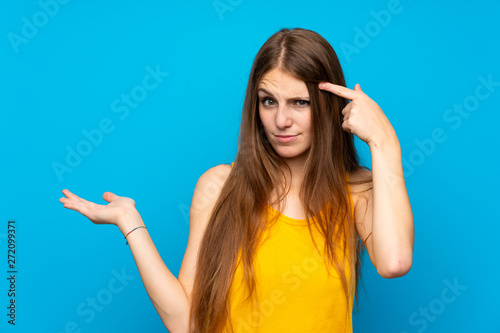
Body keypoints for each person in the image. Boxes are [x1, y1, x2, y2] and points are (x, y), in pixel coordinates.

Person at [59, 28, 414, 333]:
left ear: (327, 104)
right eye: (269, 101)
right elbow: (186, 322)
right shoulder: (219, 186)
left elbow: (394, 262)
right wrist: (130, 223)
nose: (281, 120)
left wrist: (385, 141)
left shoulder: (356, 189)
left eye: (300, 102)